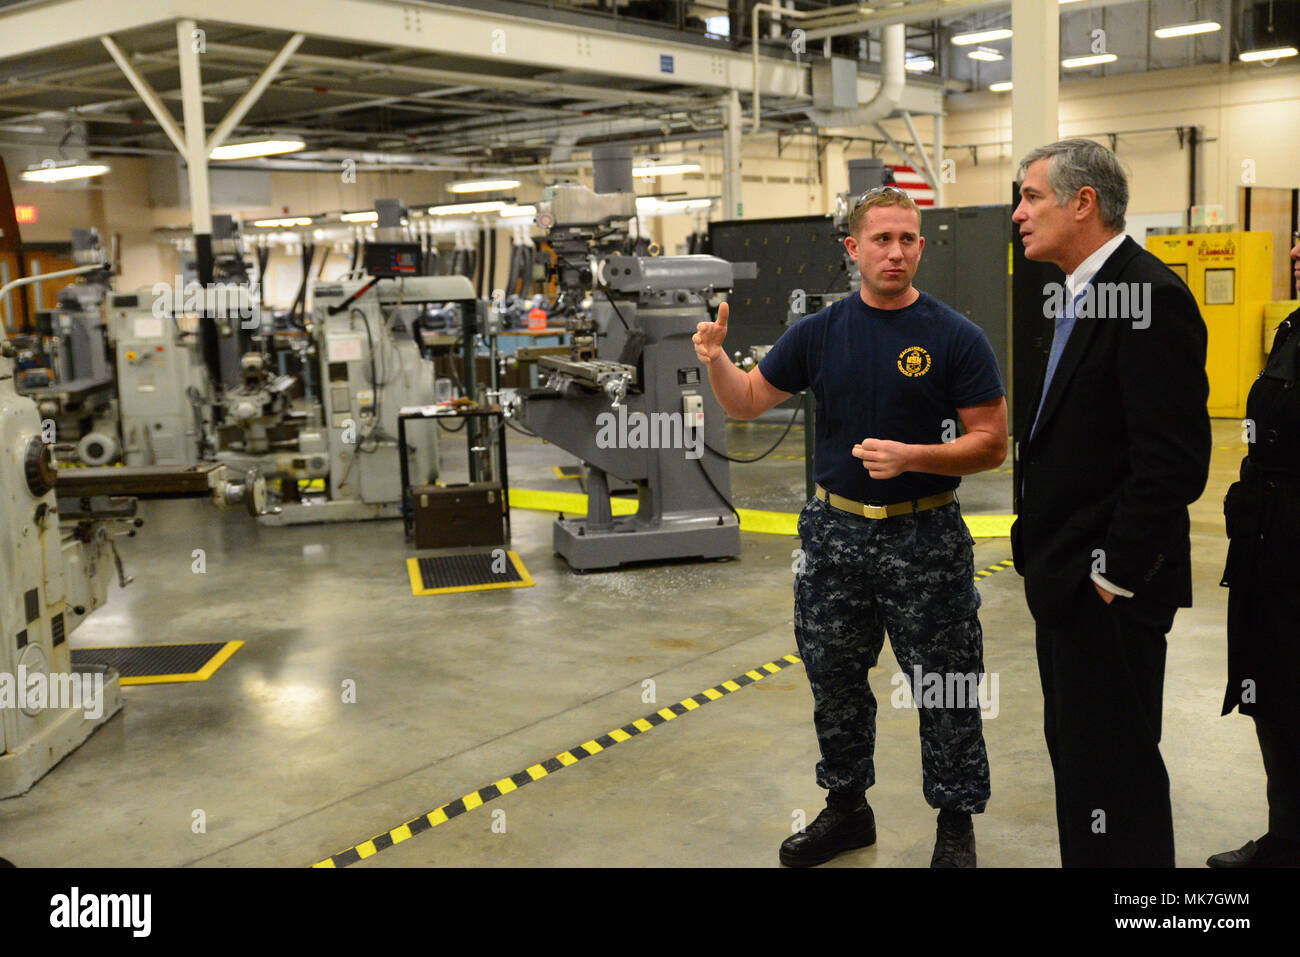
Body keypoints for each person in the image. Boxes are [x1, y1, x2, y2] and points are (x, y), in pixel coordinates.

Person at [693, 186, 1007, 868]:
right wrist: (716, 358)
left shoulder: (956, 336)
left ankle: (955, 823)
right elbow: (747, 402)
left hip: (926, 538)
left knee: (944, 682)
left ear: (921, 246)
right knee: (833, 678)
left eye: (907, 239)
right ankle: (846, 809)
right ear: (853, 250)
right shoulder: (819, 333)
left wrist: (915, 456)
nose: (895, 252)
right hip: (835, 538)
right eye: (881, 239)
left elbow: (991, 442)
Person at [1010, 138, 1211, 867]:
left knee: (1116, 779)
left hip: (1109, 593)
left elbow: (1174, 461)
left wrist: (1111, 574)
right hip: (1067, 583)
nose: (1018, 213)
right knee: (1083, 769)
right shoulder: (1079, 292)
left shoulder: (1148, 295)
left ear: (1083, 202)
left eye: (1032, 197)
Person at [1209, 233, 1300, 868]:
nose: (1295, 256)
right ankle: (1288, 840)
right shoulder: (1293, 328)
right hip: (1271, 544)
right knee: (1275, 692)